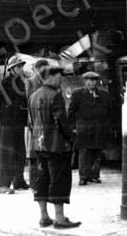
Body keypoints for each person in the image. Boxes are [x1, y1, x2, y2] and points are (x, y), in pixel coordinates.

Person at [29, 66, 80, 229]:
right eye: (59, 77)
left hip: (38, 144)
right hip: (56, 145)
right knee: (59, 179)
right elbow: (61, 122)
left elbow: (31, 122)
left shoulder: (33, 96)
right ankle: (60, 218)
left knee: (42, 179)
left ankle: (44, 217)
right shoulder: (55, 96)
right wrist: (71, 138)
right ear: (49, 77)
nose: (61, 80)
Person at [0, 55, 29, 194]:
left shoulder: (21, 83)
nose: (21, 69)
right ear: (12, 69)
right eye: (19, 67)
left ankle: (18, 181)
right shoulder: (5, 83)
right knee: (6, 155)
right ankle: (3, 185)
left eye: (21, 67)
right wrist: (0, 116)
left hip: (18, 122)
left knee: (20, 152)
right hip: (7, 123)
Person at [68, 71, 110, 185]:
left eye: (94, 80)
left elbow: (108, 111)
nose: (92, 83)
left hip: (99, 127)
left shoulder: (104, 95)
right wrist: (72, 127)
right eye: (89, 81)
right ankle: (83, 176)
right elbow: (71, 112)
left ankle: (95, 175)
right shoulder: (78, 94)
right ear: (85, 81)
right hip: (84, 128)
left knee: (97, 152)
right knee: (84, 152)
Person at [25, 59, 49, 187]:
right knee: (33, 153)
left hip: (45, 121)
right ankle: (34, 182)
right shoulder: (30, 82)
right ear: (38, 69)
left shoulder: (46, 81)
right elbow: (29, 101)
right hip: (34, 121)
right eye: (44, 69)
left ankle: (43, 180)